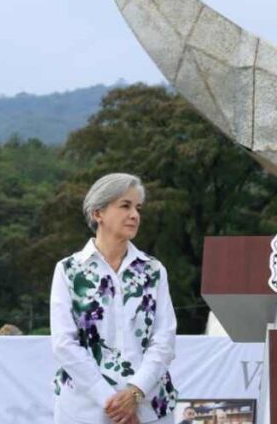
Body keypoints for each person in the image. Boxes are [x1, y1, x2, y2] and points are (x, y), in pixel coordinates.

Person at [51, 173, 178, 424]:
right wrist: (112, 402)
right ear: (98, 213)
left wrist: (135, 393)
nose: (134, 215)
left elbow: (164, 339)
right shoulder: (69, 270)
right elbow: (64, 344)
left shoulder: (153, 270)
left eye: (138, 208)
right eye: (125, 206)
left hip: (149, 409)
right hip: (83, 411)